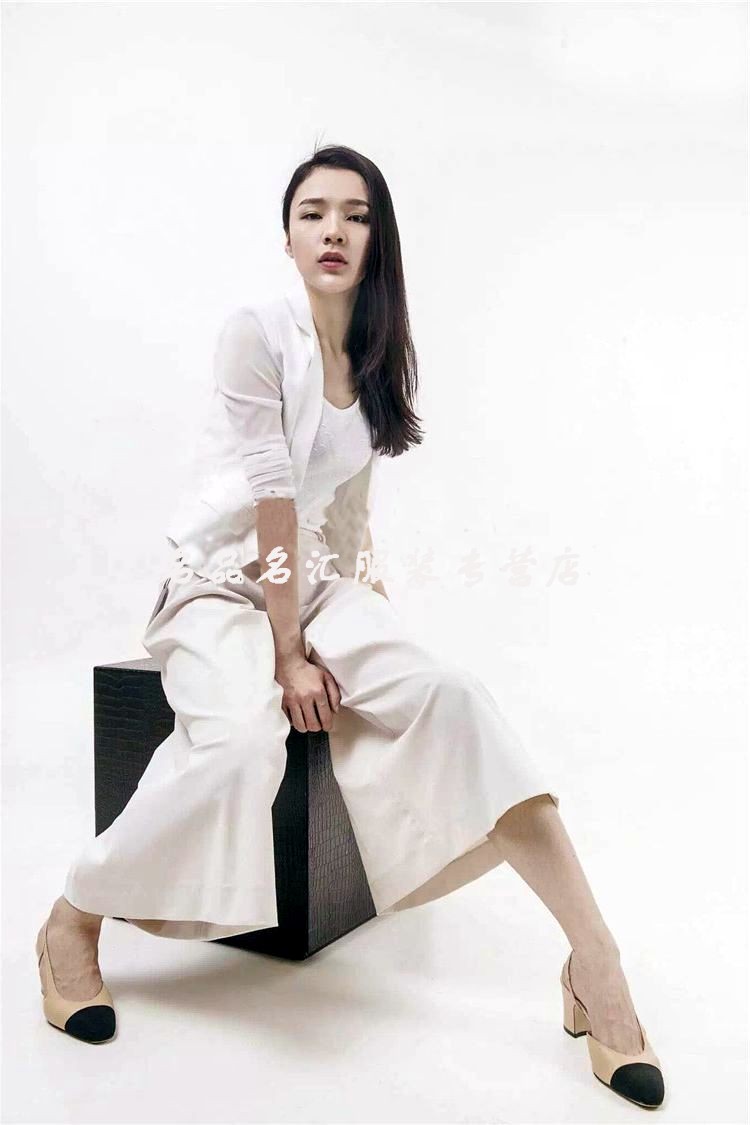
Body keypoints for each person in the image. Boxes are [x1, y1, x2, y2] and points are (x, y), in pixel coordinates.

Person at [35, 144, 664, 1109]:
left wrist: (376, 635)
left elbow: (347, 516)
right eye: (313, 212)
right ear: (287, 236)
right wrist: (288, 654)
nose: (334, 229)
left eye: (355, 214)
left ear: (378, 239)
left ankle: (597, 962)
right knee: (241, 743)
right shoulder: (257, 333)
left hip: (317, 584)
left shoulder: (375, 355)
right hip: (219, 586)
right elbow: (274, 498)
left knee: (452, 696)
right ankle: (74, 914)